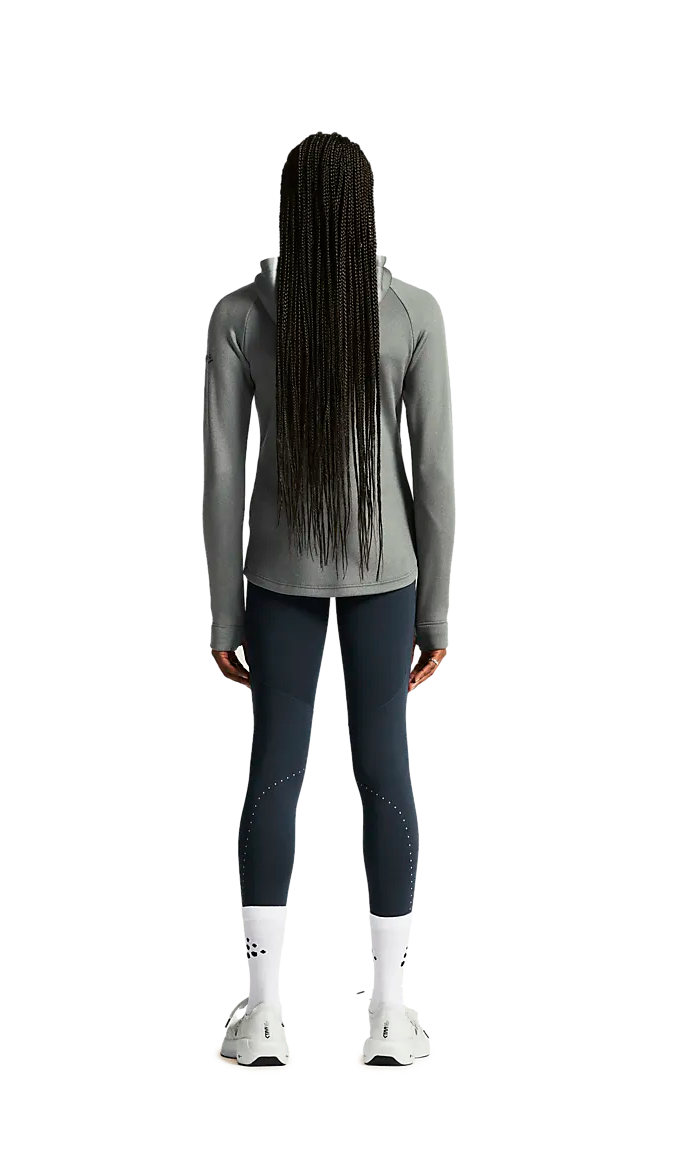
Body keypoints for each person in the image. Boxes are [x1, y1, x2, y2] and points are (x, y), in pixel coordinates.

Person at [203, 132, 454, 1067]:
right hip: (389, 573)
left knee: (275, 768)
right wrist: (439, 611)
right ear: (364, 208)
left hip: (277, 574)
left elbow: (220, 476)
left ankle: (263, 1015)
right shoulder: (411, 311)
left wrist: (221, 614)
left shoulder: (240, 314)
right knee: (386, 769)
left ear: (290, 206)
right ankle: (389, 1013)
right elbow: (436, 473)